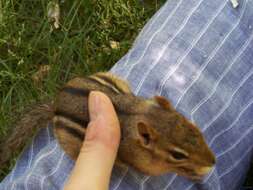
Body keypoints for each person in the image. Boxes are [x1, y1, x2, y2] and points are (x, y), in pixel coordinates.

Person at [1, 0, 253, 189]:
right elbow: (146, 167)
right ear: (145, 136)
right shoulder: (141, 148)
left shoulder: (153, 109)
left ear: (162, 104)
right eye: (176, 155)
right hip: (80, 130)